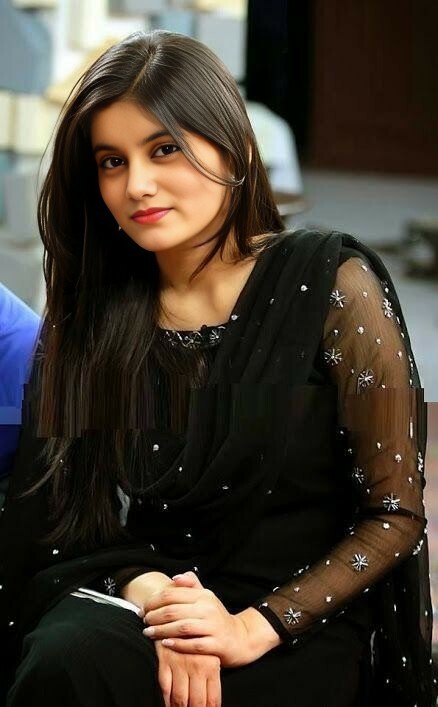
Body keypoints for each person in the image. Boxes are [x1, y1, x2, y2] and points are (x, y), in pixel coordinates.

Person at [0, 30, 435, 707]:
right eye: (111, 161)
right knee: (68, 660)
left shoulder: (331, 283)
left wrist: (246, 628)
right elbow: (64, 522)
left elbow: (394, 515)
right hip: (147, 602)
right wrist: (162, 603)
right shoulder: (90, 314)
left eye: (164, 149)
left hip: (294, 621)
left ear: (233, 147)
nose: (136, 184)